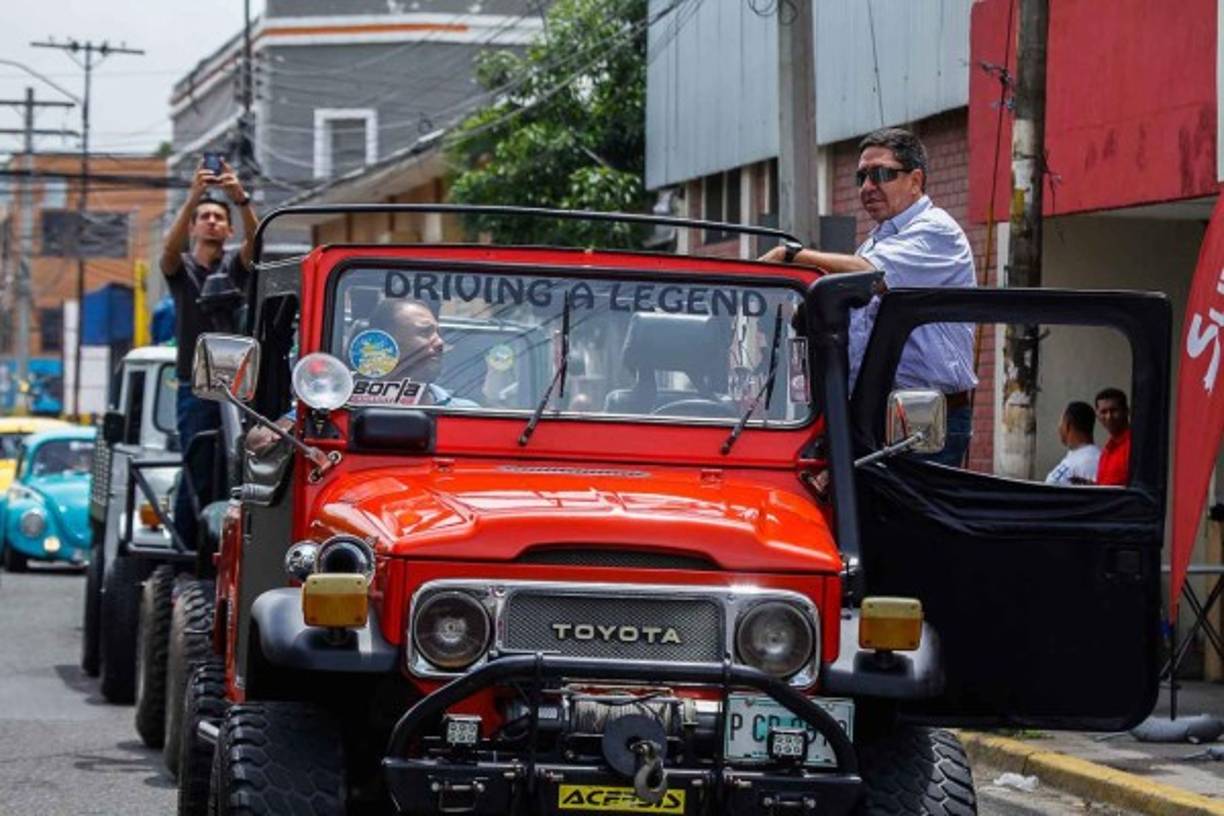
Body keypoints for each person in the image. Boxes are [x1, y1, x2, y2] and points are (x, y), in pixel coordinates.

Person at [760, 127, 977, 467]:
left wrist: (790, 256)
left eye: (880, 175)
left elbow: (871, 275)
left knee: (910, 520)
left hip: (924, 419)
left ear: (916, 180)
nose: (867, 187)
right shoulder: (878, 240)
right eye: (861, 177)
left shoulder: (936, 230)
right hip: (875, 414)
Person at [159, 158, 257, 549]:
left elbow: (257, 242)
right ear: (194, 226)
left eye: (220, 217)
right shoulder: (180, 270)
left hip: (238, 390)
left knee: (239, 469)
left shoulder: (235, 266)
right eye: (205, 216)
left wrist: (241, 198)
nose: (213, 221)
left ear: (229, 228)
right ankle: (185, 549)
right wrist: (193, 197)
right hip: (195, 387)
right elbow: (167, 251)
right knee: (197, 466)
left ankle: (230, 545)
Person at [245, 298, 474, 454]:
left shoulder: (466, 411)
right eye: (425, 332)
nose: (440, 343)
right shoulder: (338, 402)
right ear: (385, 341)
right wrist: (294, 428)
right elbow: (257, 441)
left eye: (438, 333)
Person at [1045, 401, 1100, 485]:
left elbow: (1048, 488)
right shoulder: (1103, 459)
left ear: (1067, 426)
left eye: (1061, 422)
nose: (1058, 428)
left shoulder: (1070, 467)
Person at [1094, 387, 1131, 486]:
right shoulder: (1106, 450)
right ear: (1097, 415)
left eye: (1114, 410)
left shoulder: (1134, 445)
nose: (1109, 416)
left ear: (1126, 411)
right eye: (1103, 412)